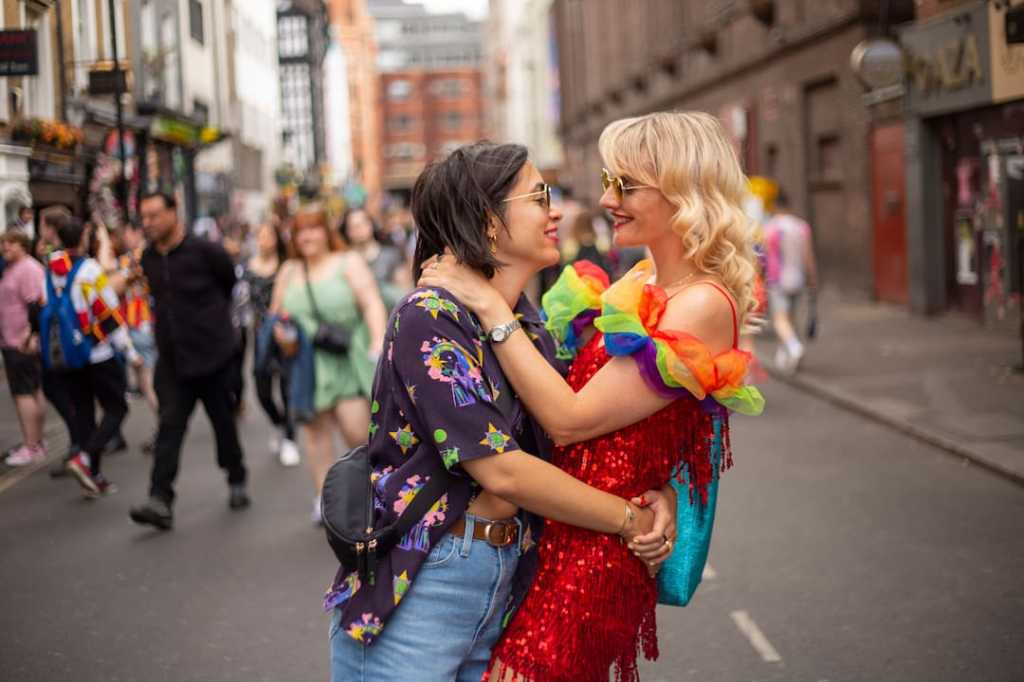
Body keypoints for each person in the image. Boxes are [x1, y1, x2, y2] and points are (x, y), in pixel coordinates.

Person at [419, 113, 764, 681]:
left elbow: (571, 419)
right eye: (609, 181)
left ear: (681, 188)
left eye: (625, 185)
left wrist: (488, 306)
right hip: (559, 537)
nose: (607, 198)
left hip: (595, 558)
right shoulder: (644, 281)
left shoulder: (703, 302)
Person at [326, 142, 677, 682]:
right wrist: (629, 519)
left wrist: (662, 493)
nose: (555, 209)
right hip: (427, 582)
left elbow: (581, 427)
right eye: (539, 196)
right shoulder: (429, 317)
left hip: (503, 578)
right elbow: (501, 468)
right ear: (489, 221)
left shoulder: (520, 321)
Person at [129, 192, 250, 531]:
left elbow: (228, 284)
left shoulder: (206, 251)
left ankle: (236, 476)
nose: (148, 223)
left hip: (213, 356)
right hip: (173, 362)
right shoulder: (148, 258)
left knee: (223, 425)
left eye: (154, 215)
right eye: (144, 217)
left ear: (173, 213)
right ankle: (160, 499)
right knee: (168, 428)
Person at [270, 205, 387, 523]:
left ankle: (372, 494)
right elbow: (276, 314)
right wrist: (282, 334)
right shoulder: (290, 270)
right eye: (300, 231)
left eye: (313, 228)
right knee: (315, 433)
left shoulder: (347, 261)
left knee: (356, 430)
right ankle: (326, 500)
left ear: (326, 232)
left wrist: (377, 340)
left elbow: (372, 302)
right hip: (307, 362)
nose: (306, 236)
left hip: (346, 357)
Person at [41, 216, 138, 497]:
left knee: (84, 413)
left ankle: (93, 477)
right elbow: (108, 313)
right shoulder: (90, 270)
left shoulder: (52, 269)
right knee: (117, 407)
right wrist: (129, 351)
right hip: (98, 352)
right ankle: (85, 459)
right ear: (83, 238)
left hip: (69, 355)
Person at [245, 220, 300, 466]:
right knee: (261, 386)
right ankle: (277, 422)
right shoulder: (247, 267)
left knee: (288, 388)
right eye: (260, 235)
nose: (264, 240)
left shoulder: (287, 267)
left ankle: (290, 438)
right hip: (260, 336)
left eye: (268, 235)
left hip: (285, 332)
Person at [109, 221, 159, 451]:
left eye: (126, 232)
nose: (123, 237)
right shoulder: (148, 254)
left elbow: (113, 287)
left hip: (141, 324)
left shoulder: (136, 257)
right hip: (145, 324)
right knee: (148, 379)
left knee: (148, 381)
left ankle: (165, 428)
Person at [0, 230, 47, 465]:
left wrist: (30, 335)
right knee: (32, 391)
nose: (5, 246)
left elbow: (35, 304)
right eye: (3, 243)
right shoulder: (13, 268)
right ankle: (36, 441)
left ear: (23, 245)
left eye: (11, 243)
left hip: (19, 342)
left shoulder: (27, 268)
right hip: (14, 340)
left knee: (23, 393)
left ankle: (31, 446)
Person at [762, 189, 818, 373]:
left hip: (777, 279)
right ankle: (785, 356)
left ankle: (794, 348)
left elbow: (764, 256)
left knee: (779, 320)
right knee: (790, 318)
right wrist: (812, 278)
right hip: (798, 278)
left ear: (775, 206)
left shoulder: (771, 227)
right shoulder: (801, 227)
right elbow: (808, 257)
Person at [339, 207, 410, 309]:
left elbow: (404, 292)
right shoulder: (345, 262)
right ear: (347, 232)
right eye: (353, 226)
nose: (359, 229)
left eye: (362, 223)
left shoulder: (391, 254)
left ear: (371, 225)